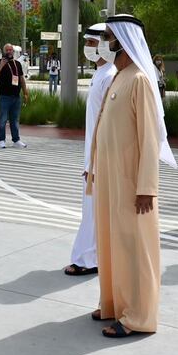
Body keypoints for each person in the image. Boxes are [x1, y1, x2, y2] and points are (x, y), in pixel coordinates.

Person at [86, 14, 176, 338]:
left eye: (110, 37)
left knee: (133, 248)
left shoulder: (139, 79)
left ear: (123, 42)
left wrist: (146, 188)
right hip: (111, 180)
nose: (105, 44)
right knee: (111, 244)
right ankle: (112, 304)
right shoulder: (118, 77)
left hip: (131, 183)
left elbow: (150, 139)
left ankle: (138, 316)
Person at [64, 23, 117, 277]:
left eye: (93, 43)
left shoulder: (110, 75)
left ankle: (91, 258)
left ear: (107, 45)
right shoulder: (100, 73)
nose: (88, 48)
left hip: (102, 157)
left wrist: (95, 162)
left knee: (95, 211)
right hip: (92, 156)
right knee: (91, 210)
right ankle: (89, 255)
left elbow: (109, 124)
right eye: (86, 42)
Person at [0, 43, 29, 149]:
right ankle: (1, 140)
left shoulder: (17, 64)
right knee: (3, 119)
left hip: (16, 96)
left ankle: (16, 140)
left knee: (15, 119)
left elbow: (21, 79)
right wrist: (2, 64)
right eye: (7, 50)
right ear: (4, 51)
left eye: (10, 50)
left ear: (13, 51)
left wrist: (25, 92)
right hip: (4, 96)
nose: (9, 52)